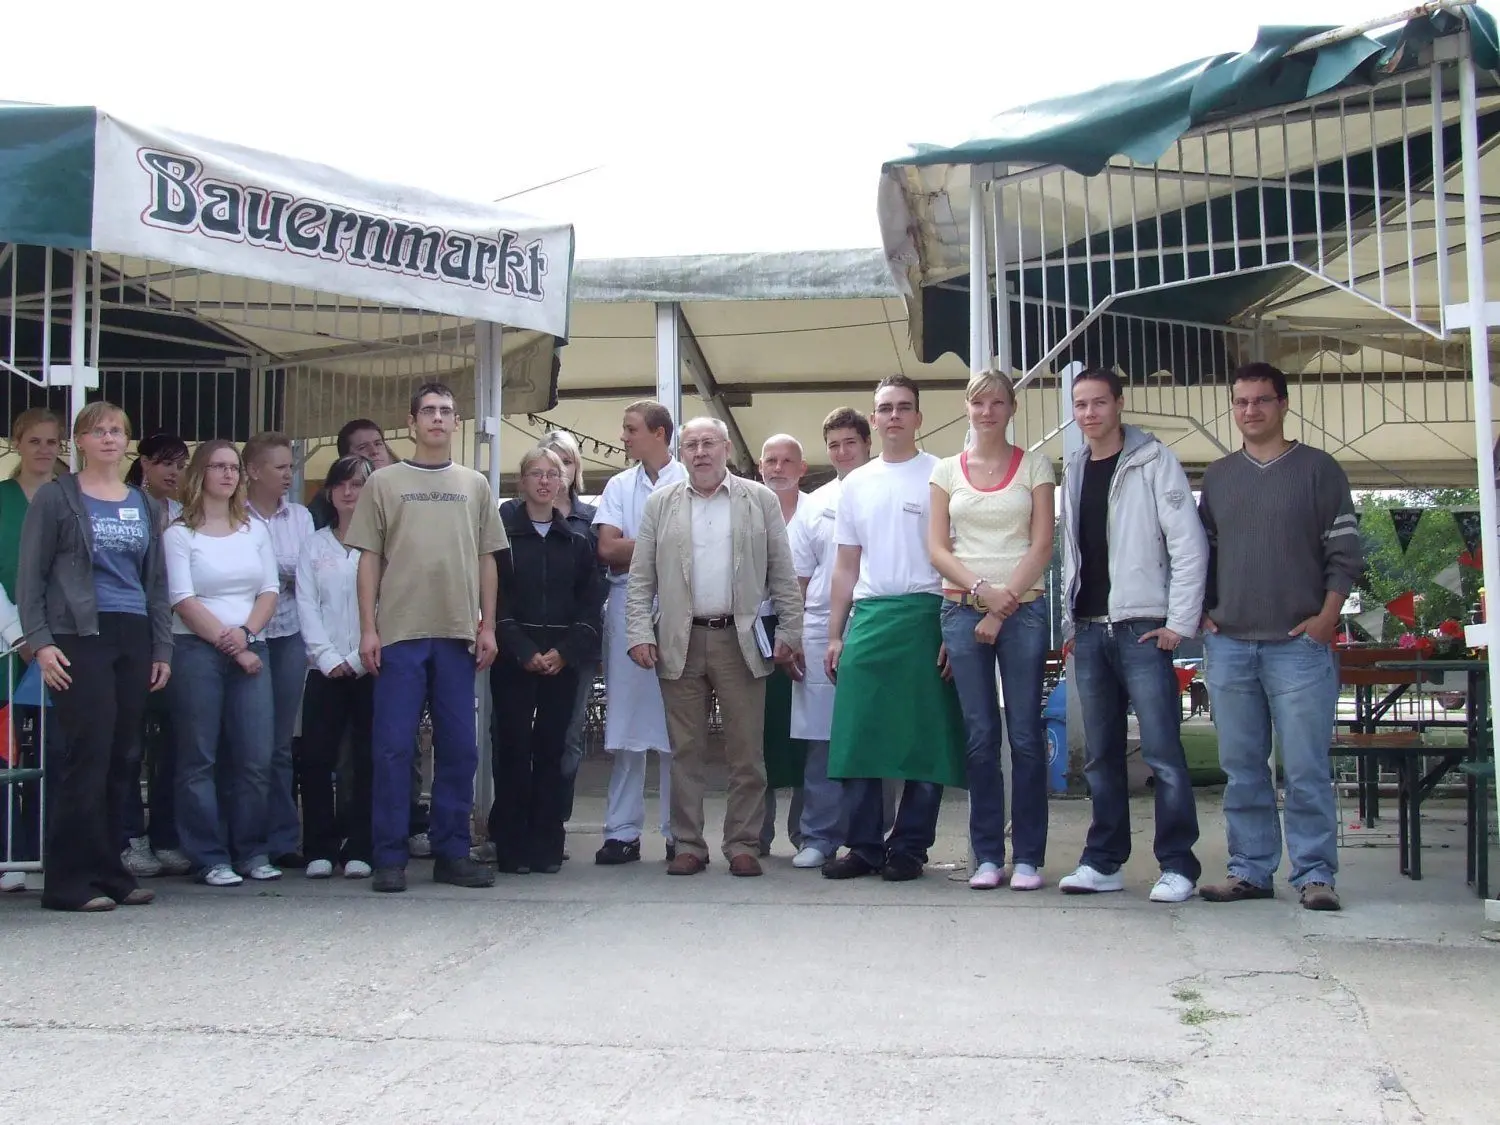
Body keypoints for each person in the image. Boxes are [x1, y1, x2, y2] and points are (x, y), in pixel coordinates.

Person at [1197, 362, 1362, 912]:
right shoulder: (1218, 477)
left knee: (1307, 766)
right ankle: (1249, 870)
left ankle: (1315, 874)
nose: (1250, 411)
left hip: (1299, 645)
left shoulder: (1319, 470)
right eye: (1241, 401)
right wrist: (1203, 612)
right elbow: (1202, 554)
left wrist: (1327, 616)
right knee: (1243, 770)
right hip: (1230, 644)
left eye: (1261, 400)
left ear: (1283, 403)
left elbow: (1345, 553)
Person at [1054, 368, 1208, 902]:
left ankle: (1179, 865)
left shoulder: (1153, 460)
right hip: (1091, 629)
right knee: (1100, 754)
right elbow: (1072, 555)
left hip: (1143, 627)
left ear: (1119, 404)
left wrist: (1179, 624)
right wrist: (1071, 623)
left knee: (1163, 751)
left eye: (1099, 402)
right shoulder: (1073, 467)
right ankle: (1103, 861)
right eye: (1081, 404)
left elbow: (1188, 544)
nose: (1090, 413)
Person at [346, 382, 506, 893]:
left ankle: (451, 851)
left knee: (460, 747)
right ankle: (389, 856)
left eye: (446, 411)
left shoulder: (475, 484)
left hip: (458, 632)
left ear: (455, 423)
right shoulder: (384, 482)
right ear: (411, 422)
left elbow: (488, 559)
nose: (438, 418)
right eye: (429, 411)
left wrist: (488, 625)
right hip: (400, 633)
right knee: (393, 748)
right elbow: (368, 558)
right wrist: (369, 628)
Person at [625, 417, 802, 876]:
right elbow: (641, 577)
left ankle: (743, 843)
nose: (700, 452)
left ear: (726, 448)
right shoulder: (660, 504)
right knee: (686, 750)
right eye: (691, 445)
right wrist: (640, 632)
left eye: (708, 443)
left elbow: (782, 572)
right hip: (678, 640)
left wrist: (790, 632)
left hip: (739, 638)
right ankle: (688, 844)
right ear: (680, 453)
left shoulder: (758, 499)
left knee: (747, 751)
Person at [16, 402, 173, 911]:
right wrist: (40, 641)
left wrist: (161, 645)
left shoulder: (143, 503)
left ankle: (110, 871)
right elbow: (30, 576)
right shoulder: (57, 498)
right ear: (79, 441)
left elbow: (155, 582)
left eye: (117, 430)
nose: (109, 438)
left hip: (132, 632)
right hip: (78, 633)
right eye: (98, 430)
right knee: (87, 753)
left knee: (124, 757)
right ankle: (66, 881)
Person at [822, 376, 966, 882]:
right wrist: (836, 634)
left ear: (919, 417)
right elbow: (845, 564)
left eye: (904, 408)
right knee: (858, 736)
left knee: (923, 742)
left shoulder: (943, 474)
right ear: (875, 418)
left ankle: (909, 847)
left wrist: (955, 629)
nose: (895, 417)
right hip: (871, 617)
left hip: (929, 613)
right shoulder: (856, 482)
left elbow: (958, 554)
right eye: (886, 409)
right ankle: (862, 845)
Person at [928, 370, 1056, 891]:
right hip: (961, 611)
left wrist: (1001, 608)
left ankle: (1028, 856)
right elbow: (937, 548)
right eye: (979, 403)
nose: (987, 412)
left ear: (1012, 408)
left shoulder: (1036, 464)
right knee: (980, 738)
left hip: (1022, 612)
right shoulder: (944, 471)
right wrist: (982, 593)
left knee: (1024, 736)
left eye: (997, 403)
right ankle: (986, 855)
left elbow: (1042, 544)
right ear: (966, 407)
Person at [164, 440, 281, 887]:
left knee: (255, 756)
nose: (228, 475)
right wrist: (235, 646)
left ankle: (251, 851)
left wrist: (248, 634)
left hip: (253, 644)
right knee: (200, 758)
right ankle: (210, 856)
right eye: (217, 466)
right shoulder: (179, 533)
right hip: (196, 651)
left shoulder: (254, 529)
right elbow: (182, 599)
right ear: (200, 474)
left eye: (233, 467)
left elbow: (269, 589)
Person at [315, 418, 430, 859]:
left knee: (403, 744)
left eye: (378, 444)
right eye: (361, 449)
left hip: (403, 638)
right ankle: (353, 834)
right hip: (339, 655)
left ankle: (407, 823)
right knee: (350, 753)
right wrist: (334, 653)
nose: (373, 452)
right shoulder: (324, 526)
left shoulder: (409, 490)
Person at [488, 447, 602, 874]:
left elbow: (590, 605)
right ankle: (511, 845)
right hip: (514, 659)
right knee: (513, 748)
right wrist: (523, 650)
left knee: (553, 751)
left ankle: (547, 844)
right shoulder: (502, 539)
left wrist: (565, 652)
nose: (544, 481)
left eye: (552, 474)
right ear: (522, 482)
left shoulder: (577, 540)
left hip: (562, 662)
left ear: (563, 482)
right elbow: (495, 602)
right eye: (535, 473)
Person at [591, 401, 686, 865]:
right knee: (626, 725)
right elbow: (607, 548)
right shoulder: (617, 484)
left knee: (676, 726)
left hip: (679, 606)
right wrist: (660, 541)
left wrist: (640, 544)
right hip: (627, 602)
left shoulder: (688, 480)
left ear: (659, 432)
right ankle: (622, 831)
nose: (624, 437)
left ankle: (677, 832)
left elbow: (697, 545)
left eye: (631, 429)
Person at [786, 408, 872, 869]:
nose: (842, 452)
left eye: (850, 443)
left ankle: (872, 836)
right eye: (834, 444)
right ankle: (818, 837)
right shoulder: (815, 504)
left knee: (872, 735)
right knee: (822, 738)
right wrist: (794, 634)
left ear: (867, 443)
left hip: (875, 618)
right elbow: (799, 577)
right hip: (820, 626)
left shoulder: (887, 489)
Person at [296, 455, 377, 880]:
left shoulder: (381, 545)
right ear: (330, 492)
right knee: (315, 758)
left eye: (359, 484)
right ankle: (319, 847)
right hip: (322, 670)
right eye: (342, 484)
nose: (350, 492)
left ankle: (361, 844)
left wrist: (357, 659)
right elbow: (306, 605)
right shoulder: (314, 544)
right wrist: (327, 658)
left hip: (369, 667)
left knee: (367, 759)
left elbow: (383, 605)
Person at [243, 432, 315, 870]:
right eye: (280, 467)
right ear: (253, 471)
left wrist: (274, 570)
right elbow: (248, 573)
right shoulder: (236, 516)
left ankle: (283, 838)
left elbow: (306, 572)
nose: (289, 474)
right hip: (247, 635)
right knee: (248, 743)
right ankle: (245, 836)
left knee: (280, 743)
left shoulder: (301, 517)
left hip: (289, 634)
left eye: (290, 466)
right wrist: (278, 572)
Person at [0, 407, 62, 894]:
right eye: (35, 440)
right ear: (17, 443)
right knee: (7, 756)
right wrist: (19, 634)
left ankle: (44, 848)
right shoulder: (0, 499)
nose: (44, 449)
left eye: (52, 441)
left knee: (50, 748)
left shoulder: (70, 497)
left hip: (60, 641)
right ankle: (7, 854)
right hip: (7, 646)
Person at [536, 429, 599, 833]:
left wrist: (574, 642)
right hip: (524, 644)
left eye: (567, 461)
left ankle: (555, 821)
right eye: (550, 461)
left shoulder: (592, 521)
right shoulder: (514, 517)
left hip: (576, 646)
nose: (557, 470)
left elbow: (597, 586)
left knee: (569, 735)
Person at [756, 433, 811, 857]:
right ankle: (757, 832)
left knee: (807, 735)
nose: (778, 468)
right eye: (770, 460)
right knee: (757, 735)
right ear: (760, 467)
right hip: (755, 631)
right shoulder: (747, 510)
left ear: (801, 468)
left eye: (786, 461)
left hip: (809, 628)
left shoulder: (819, 511)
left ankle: (806, 831)